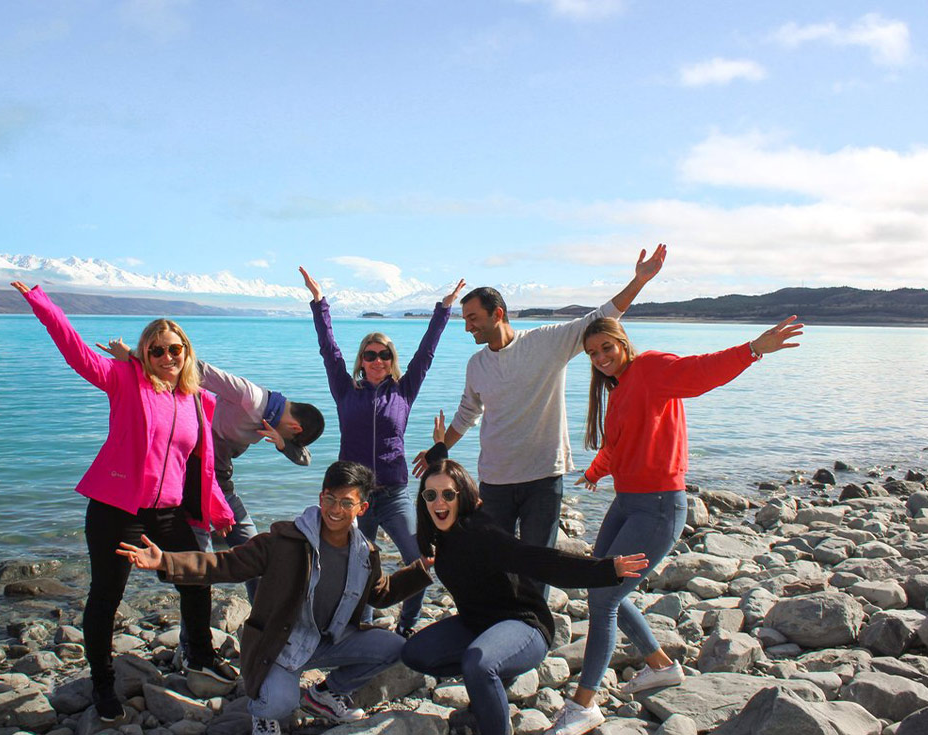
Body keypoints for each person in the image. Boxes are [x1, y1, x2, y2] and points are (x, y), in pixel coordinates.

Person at [547, 315, 804, 735]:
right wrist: (596, 472)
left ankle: (584, 705)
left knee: (604, 600)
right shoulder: (621, 386)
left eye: (606, 348)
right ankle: (661, 667)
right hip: (626, 503)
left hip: (659, 507)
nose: (600, 359)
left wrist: (753, 349)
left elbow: (700, 372)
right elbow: (622, 443)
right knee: (602, 586)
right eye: (592, 354)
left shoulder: (650, 368)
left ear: (622, 343)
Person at [10, 282, 237, 723]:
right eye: (157, 351)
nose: (167, 358)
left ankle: (200, 657)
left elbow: (201, 466)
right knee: (107, 595)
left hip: (168, 511)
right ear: (144, 354)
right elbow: (75, 351)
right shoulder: (124, 381)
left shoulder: (196, 400)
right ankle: (101, 682)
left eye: (175, 350)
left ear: (187, 353)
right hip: (117, 509)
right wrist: (41, 301)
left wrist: (220, 510)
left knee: (195, 579)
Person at [414, 245, 666, 595]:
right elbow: (467, 414)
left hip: (542, 479)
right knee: (493, 564)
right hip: (495, 481)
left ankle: (534, 632)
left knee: (538, 566)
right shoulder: (477, 365)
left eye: (472, 318)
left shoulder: (547, 342)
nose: (467, 326)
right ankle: (497, 627)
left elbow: (602, 317)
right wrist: (438, 450)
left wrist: (638, 281)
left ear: (497, 313)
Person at [116, 461, 433, 735]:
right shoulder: (285, 541)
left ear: (362, 508)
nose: (336, 510)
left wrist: (421, 570)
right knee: (280, 705)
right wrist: (166, 561)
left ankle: (324, 695)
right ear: (320, 497)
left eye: (346, 502)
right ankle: (262, 712)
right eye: (330, 499)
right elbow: (224, 564)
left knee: (395, 648)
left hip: (328, 639)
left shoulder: (365, 553)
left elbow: (379, 594)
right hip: (281, 645)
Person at [400, 458, 647, 735]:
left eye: (448, 494)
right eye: (430, 495)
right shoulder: (439, 536)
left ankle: (491, 704)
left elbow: (538, 561)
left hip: (524, 626)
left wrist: (605, 569)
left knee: (478, 664)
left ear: (463, 496)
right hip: (477, 624)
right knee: (415, 653)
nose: (438, 502)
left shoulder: (481, 533)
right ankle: (489, 687)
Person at [300, 266, 465, 636]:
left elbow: (427, 351)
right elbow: (329, 349)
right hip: (354, 499)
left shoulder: (403, 392)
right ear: (361, 361)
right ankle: (361, 626)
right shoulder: (346, 391)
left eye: (384, 355)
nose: (377, 361)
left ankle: (407, 626)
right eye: (370, 355)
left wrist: (444, 309)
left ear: (392, 360)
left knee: (419, 560)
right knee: (356, 567)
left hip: (394, 494)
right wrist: (318, 301)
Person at [96, 341, 325, 601]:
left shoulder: (272, 421)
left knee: (256, 553)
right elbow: (194, 369)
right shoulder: (250, 396)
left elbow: (304, 459)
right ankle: (193, 638)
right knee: (199, 566)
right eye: (292, 438)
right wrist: (134, 357)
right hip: (191, 484)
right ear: (295, 427)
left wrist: (284, 444)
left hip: (222, 487)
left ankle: (265, 625)